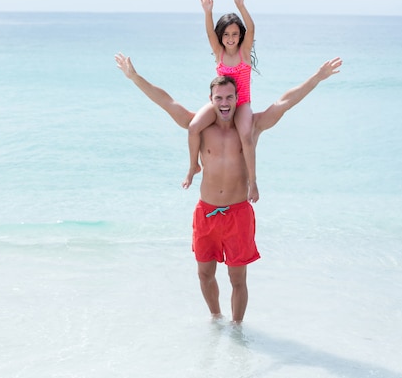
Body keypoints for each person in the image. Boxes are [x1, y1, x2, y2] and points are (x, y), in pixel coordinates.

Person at [114, 52, 342, 323]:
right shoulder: (198, 128)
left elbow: (284, 103)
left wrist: (317, 77)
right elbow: (166, 101)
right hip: (206, 213)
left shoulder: (251, 128)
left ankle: (237, 329)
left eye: (229, 97)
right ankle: (216, 320)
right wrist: (134, 77)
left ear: (238, 99)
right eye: (219, 98)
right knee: (204, 274)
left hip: (237, 214)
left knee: (238, 279)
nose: (224, 103)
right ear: (211, 101)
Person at [184, 0, 260, 205]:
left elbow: (252, 29)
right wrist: (208, 12)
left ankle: (253, 181)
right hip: (222, 104)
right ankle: (193, 166)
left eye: (235, 34)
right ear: (221, 36)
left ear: (240, 36)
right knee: (193, 127)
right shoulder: (219, 52)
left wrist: (241, 6)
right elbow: (209, 32)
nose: (230, 38)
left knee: (246, 135)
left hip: (242, 103)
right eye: (226, 34)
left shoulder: (244, 52)